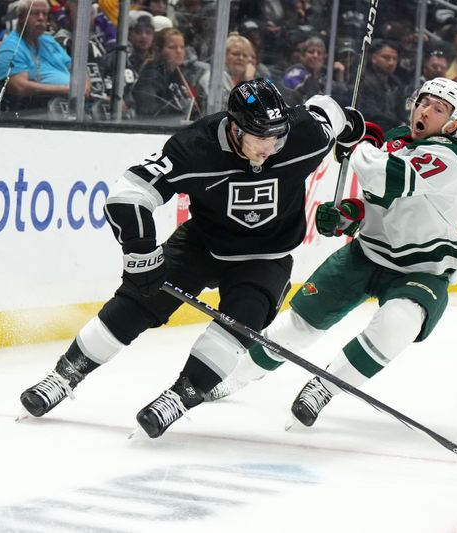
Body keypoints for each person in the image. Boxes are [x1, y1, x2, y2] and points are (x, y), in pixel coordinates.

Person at [18, 78, 367, 439]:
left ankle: (180, 396)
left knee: (240, 322)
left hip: (267, 255)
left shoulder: (304, 136)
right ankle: (64, 375)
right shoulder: (195, 147)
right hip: (203, 242)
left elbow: (329, 109)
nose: (270, 148)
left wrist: (350, 129)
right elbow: (127, 195)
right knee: (137, 302)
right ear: (235, 127)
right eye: (260, 138)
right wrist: (141, 253)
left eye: (276, 137)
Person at [206, 77, 457, 430]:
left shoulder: (450, 156)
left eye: (438, 108)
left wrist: (358, 144)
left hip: (422, 270)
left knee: (399, 323)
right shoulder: (394, 141)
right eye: (423, 101)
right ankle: (235, 377)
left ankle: (324, 387)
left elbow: (386, 177)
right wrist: (350, 214)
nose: (425, 110)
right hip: (367, 254)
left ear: (454, 124)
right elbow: (380, 202)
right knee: (297, 325)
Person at [0, 0, 78, 113]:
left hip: (74, 103)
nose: (41, 18)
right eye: (35, 13)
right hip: (39, 112)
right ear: (21, 17)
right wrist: (68, 89)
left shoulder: (50, 41)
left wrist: (84, 84)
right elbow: (20, 87)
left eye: (44, 14)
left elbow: (76, 68)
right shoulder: (11, 47)